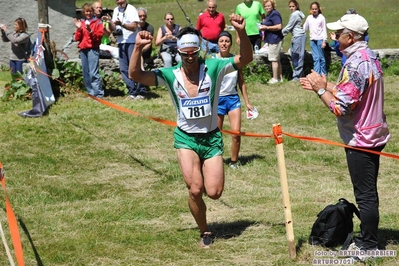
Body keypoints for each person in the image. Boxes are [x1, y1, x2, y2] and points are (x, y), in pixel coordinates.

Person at [128, 14, 253, 248]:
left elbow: (246, 58)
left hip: (211, 137)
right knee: (196, 189)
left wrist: (241, 32)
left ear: (199, 50)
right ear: (179, 52)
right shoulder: (170, 75)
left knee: (214, 192)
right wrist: (137, 48)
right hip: (185, 138)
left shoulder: (214, 67)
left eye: (193, 53)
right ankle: (205, 230)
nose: (189, 57)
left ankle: (203, 177)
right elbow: (135, 75)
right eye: (185, 53)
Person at [300, 14, 390, 262]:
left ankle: (369, 245)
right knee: (367, 191)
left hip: (361, 138)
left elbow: (341, 108)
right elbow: (352, 92)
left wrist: (320, 90)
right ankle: (368, 239)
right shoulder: (368, 56)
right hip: (374, 133)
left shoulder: (354, 64)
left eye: (339, 32)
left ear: (350, 37)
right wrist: (326, 85)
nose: (334, 36)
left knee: (365, 194)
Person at [214, 31, 254, 169]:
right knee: (216, 134)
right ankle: (216, 160)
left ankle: (234, 161)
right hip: (217, 101)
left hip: (232, 99)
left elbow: (241, 82)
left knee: (236, 133)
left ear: (230, 43)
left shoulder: (236, 60)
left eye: (227, 41)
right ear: (218, 43)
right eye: (221, 41)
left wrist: (247, 102)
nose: (224, 43)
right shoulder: (212, 60)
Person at [103, 0, 139, 99]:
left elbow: (134, 27)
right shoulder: (115, 10)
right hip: (120, 42)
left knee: (134, 67)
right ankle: (132, 91)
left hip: (131, 41)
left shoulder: (131, 9)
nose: (119, 2)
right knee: (123, 69)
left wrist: (122, 23)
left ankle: (140, 90)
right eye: (117, 0)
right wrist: (109, 21)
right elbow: (114, 28)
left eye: (121, 0)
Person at [73, 3, 104, 98]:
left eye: (90, 11)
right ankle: (91, 93)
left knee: (93, 72)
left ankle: (98, 94)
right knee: (85, 72)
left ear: (93, 12)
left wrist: (90, 31)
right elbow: (77, 38)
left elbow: (98, 37)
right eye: (86, 11)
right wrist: (78, 29)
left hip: (93, 49)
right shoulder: (81, 22)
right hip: (83, 49)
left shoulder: (98, 22)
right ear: (83, 12)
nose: (88, 13)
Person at [129, 7, 154, 99]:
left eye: (144, 16)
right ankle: (134, 89)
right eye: (140, 16)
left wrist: (140, 50)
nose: (142, 17)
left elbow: (149, 43)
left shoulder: (149, 27)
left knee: (140, 65)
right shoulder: (134, 27)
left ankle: (141, 90)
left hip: (145, 51)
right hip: (135, 50)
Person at [259, 0, 284, 84]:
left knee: (273, 59)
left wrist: (267, 28)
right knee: (277, 59)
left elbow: (279, 26)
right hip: (272, 39)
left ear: (273, 6)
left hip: (275, 39)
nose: (267, 7)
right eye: (266, 6)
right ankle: (280, 78)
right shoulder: (269, 14)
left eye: (269, 6)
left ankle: (275, 78)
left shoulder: (274, 14)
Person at [281, 0, 306, 81]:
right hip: (298, 35)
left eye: (293, 6)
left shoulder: (295, 15)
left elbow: (289, 26)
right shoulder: (297, 13)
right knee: (297, 55)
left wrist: (280, 34)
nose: (291, 8)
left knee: (297, 56)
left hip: (298, 36)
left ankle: (297, 76)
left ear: (296, 6)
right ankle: (300, 74)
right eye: (290, 7)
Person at [303, 2, 327, 75]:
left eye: (316, 9)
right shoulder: (309, 18)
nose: (314, 10)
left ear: (318, 9)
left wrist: (324, 41)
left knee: (321, 58)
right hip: (313, 40)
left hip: (320, 39)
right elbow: (305, 28)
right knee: (315, 58)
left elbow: (324, 29)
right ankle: (317, 74)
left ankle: (323, 73)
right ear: (311, 10)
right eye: (313, 9)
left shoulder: (321, 17)